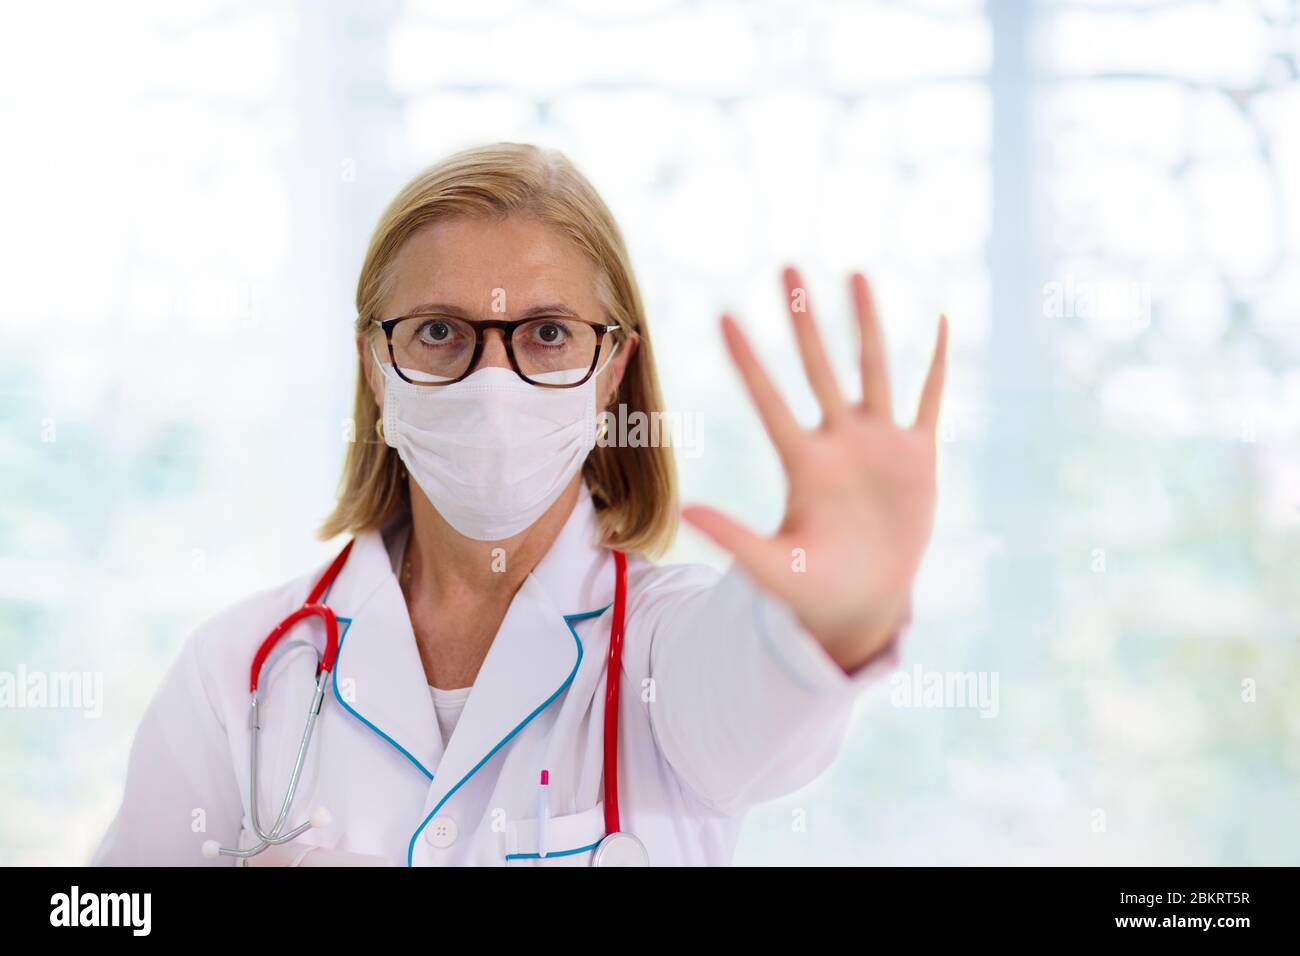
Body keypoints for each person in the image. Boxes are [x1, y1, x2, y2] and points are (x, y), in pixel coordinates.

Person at [92, 142, 947, 866]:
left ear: (612, 369)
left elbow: (758, 686)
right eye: (437, 331)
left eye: (547, 333)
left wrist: (833, 624)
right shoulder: (240, 670)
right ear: (374, 366)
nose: (493, 382)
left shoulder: (663, 652)